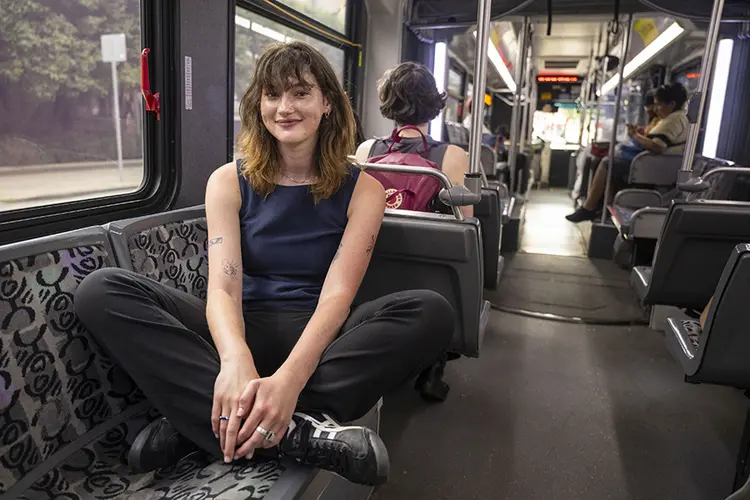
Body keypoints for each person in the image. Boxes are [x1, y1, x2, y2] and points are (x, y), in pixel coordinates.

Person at [74, 41, 455, 486]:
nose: (284, 107)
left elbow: (337, 296)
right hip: (239, 327)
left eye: (299, 93)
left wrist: (290, 380)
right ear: (258, 104)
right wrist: (235, 360)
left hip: (321, 336)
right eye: (271, 95)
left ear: (327, 102)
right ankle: (298, 432)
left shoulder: (364, 190)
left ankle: (202, 422)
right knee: (101, 290)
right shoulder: (227, 181)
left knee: (432, 311)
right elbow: (224, 288)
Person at [354, 61, 473, 217]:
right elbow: (465, 220)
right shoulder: (453, 157)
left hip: (373, 239)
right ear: (434, 101)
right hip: (428, 240)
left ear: (388, 101)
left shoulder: (366, 150)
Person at [566, 82, 689, 223]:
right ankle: (604, 206)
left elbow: (657, 146)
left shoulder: (674, 120)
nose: (656, 108)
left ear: (672, 104)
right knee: (608, 162)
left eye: (659, 104)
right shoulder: (672, 119)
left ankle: (589, 207)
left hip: (655, 167)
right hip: (653, 163)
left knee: (607, 163)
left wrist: (635, 136)